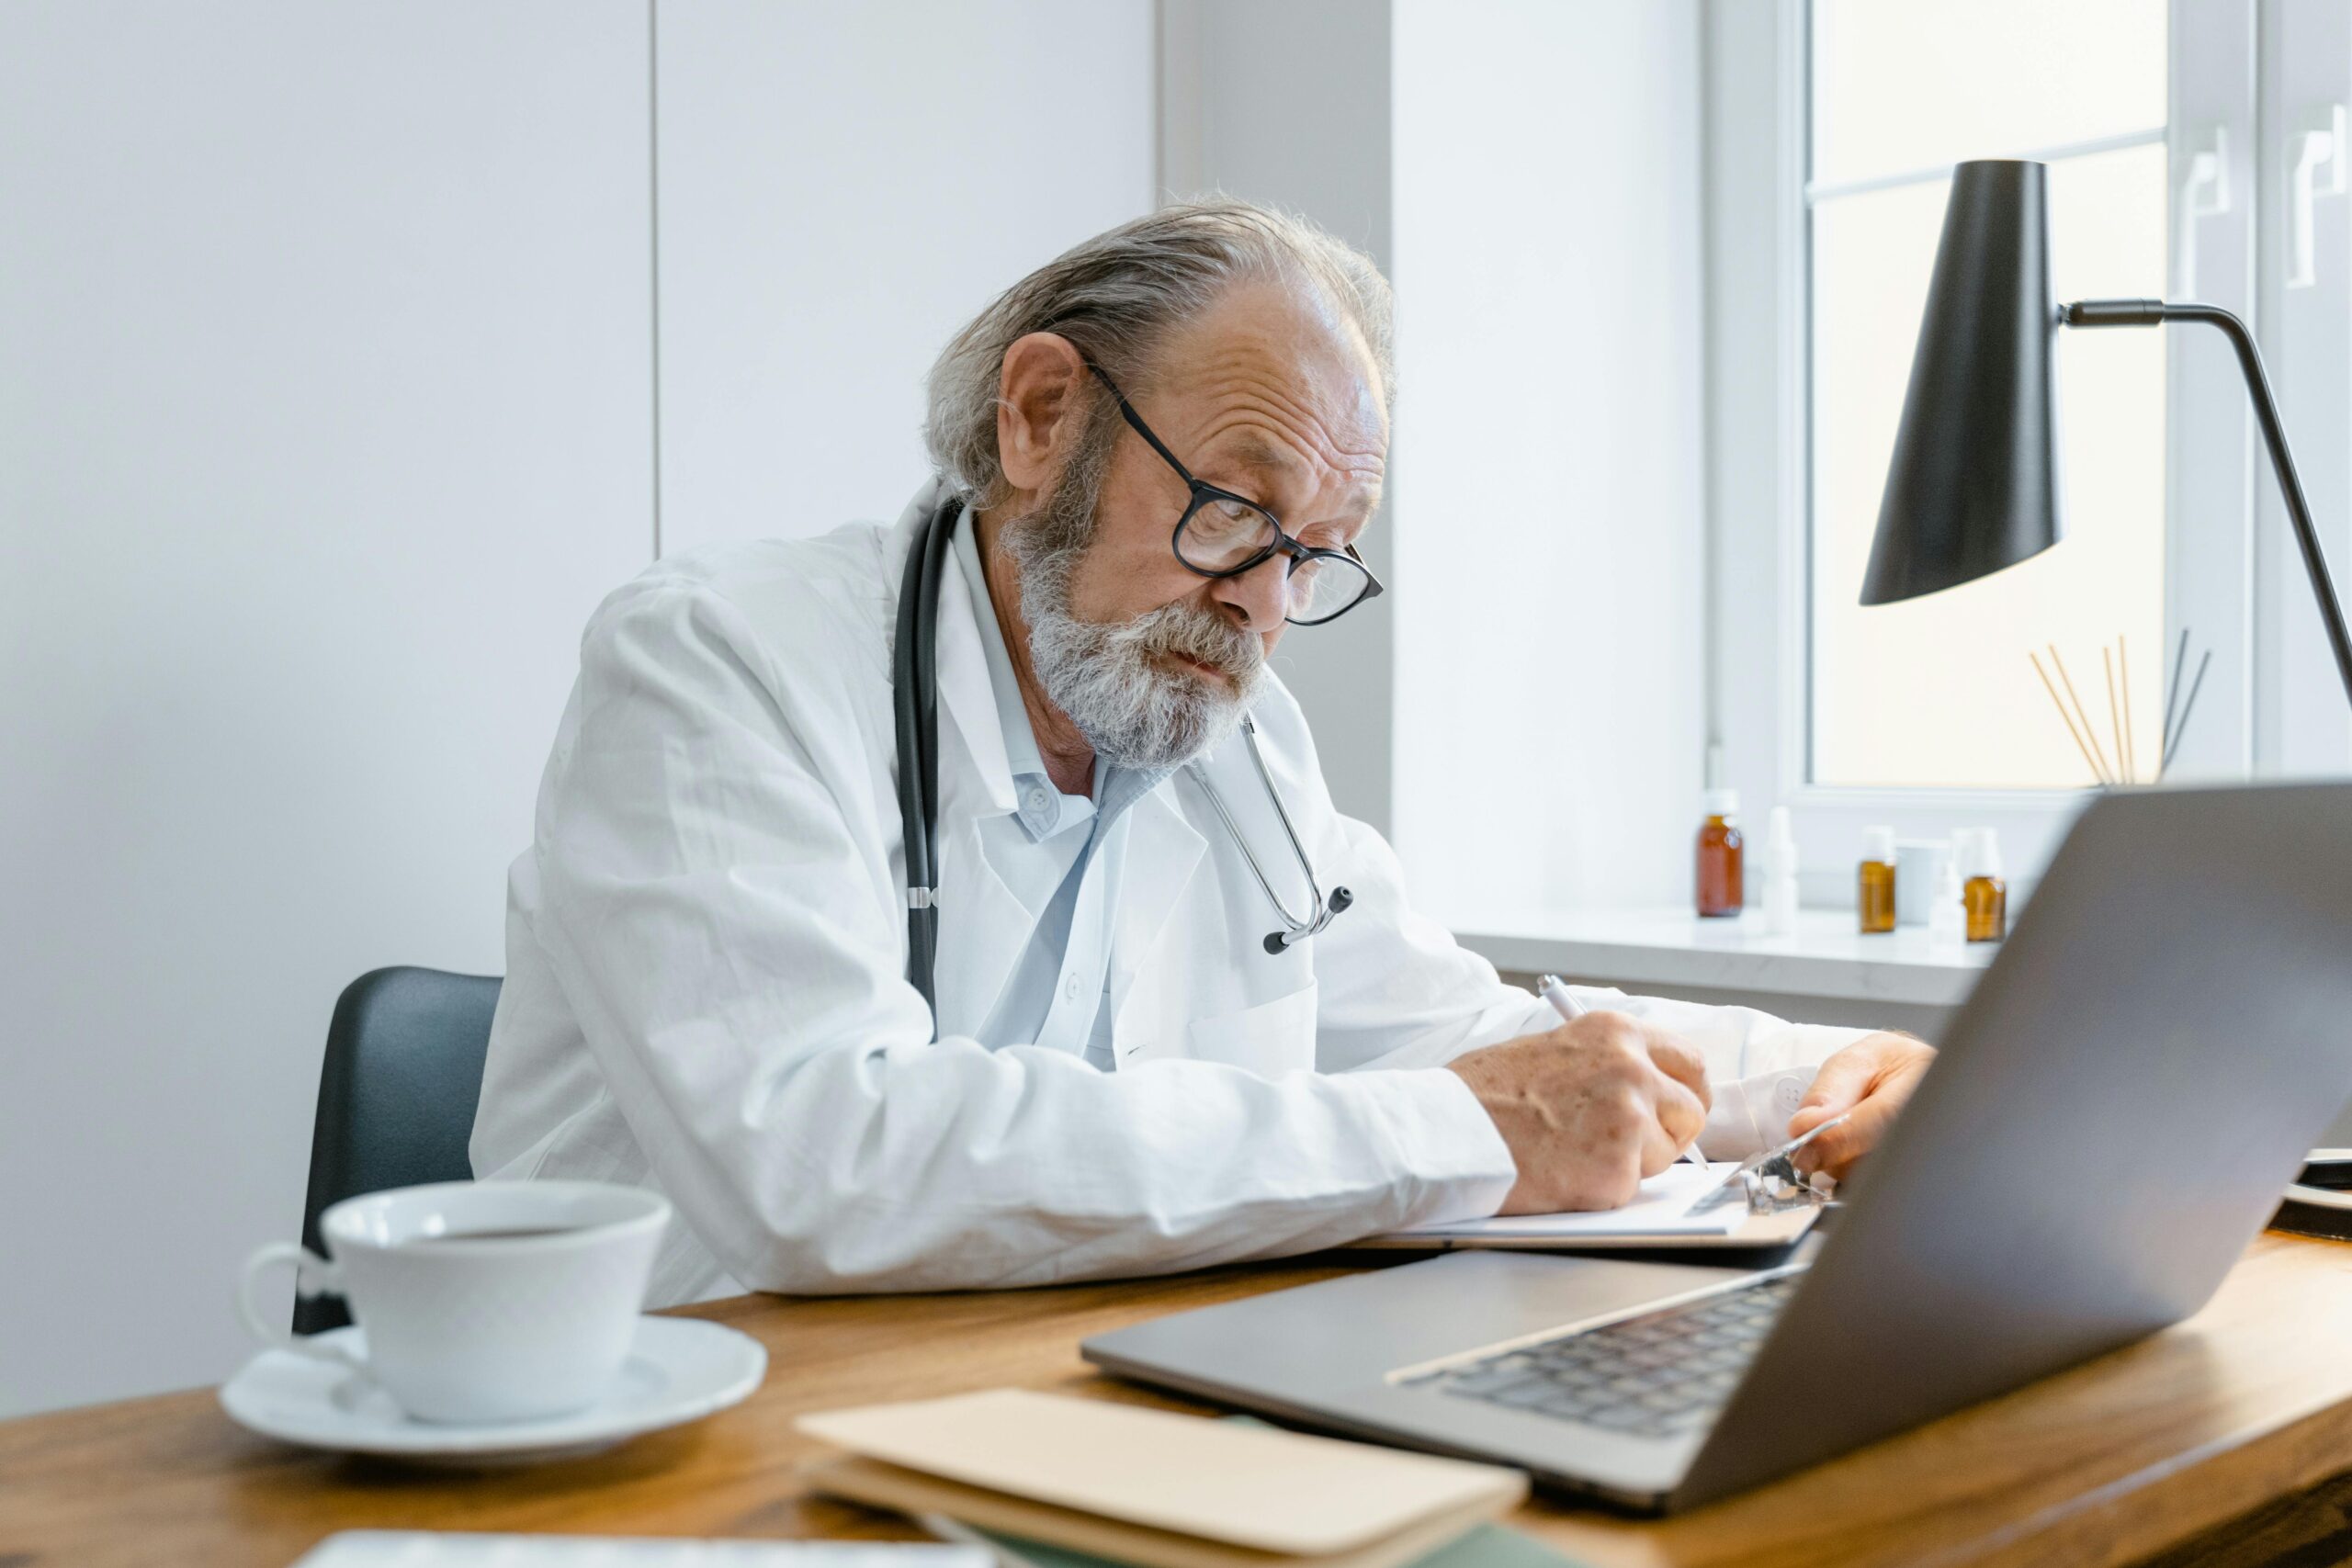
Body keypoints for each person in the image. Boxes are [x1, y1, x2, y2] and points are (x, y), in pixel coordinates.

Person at [470, 199, 1933, 1306]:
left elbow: (1450, 1031)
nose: (1262, 604)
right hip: (708, 1451)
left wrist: (1816, 1079)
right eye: (1236, 511)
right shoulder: (720, 665)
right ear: (1042, 416)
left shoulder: (1230, 736)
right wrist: (1454, 1134)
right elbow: (821, 1164)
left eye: (1317, 556)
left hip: (1069, 1399)